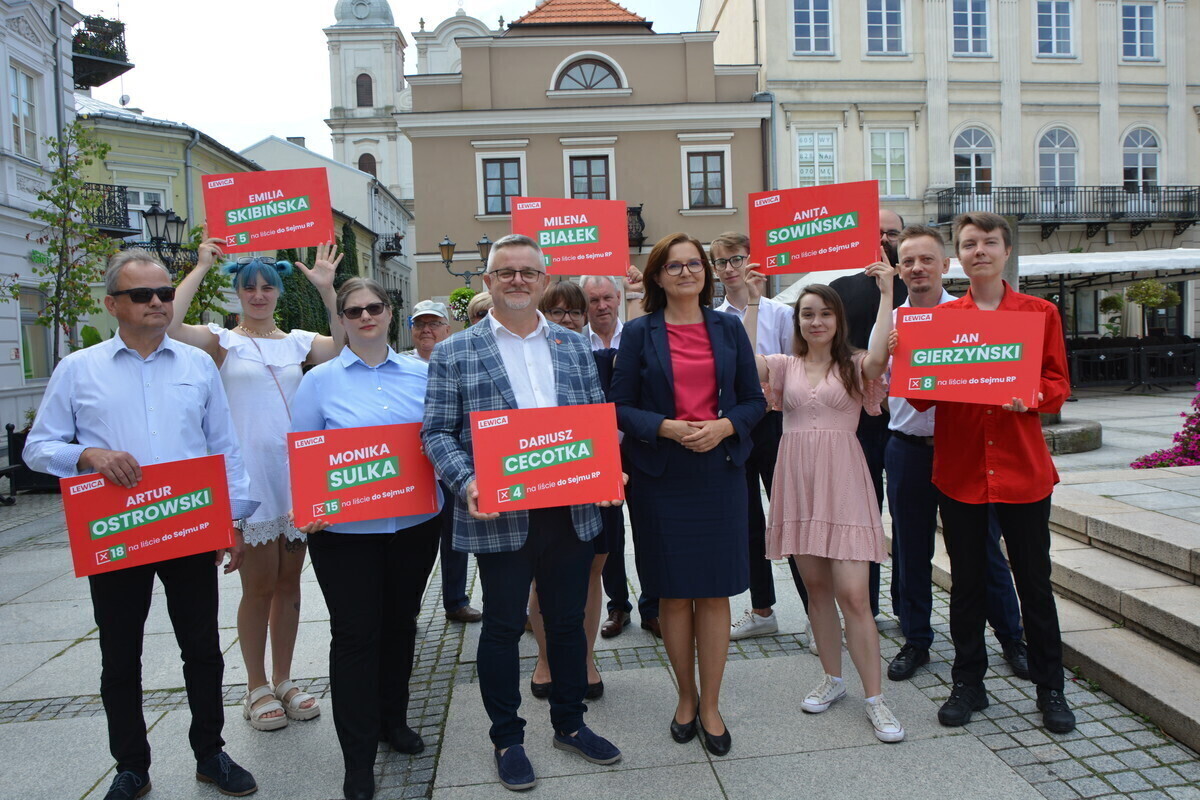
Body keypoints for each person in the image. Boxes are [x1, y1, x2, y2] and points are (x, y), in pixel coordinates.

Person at [24, 249, 260, 800]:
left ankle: (210, 753)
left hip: (187, 527)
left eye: (165, 293)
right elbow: (39, 447)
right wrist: (88, 455)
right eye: (143, 295)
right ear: (113, 305)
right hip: (116, 533)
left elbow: (223, 446)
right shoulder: (79, 369)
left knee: (202, 648)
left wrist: (235, 519)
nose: (159, 302)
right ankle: (131, 765)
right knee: (120, 654)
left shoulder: (197, 364)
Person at [422, 234, 622, 791]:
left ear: (543, 280)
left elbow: (593, 418)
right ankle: (507, 737)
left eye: (527, 272)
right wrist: (467, 483)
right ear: (487, 282)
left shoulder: (571, 344)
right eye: (504, 272)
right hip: (499, 513)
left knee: (565, 622)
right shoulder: (455, 351)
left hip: (568, 508)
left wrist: (608, 468)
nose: (516, 280)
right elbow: (436, 433)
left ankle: (570, 724)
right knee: (505, 626)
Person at [906, 212, 1075, 734]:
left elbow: (1057, 385)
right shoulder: (940, 321)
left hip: (1022, 472)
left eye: (990, 243)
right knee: (968, 584)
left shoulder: (1039, 312)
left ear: (1006, 252)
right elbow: (919, 394)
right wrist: (915, 362)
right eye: (970, 244)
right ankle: (968, 683)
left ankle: (1051, 688)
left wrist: (1028, 394)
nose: (980, 251)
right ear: (959, 257)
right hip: (961, 472)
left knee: (1035, 583)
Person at [169, 239, 344, 732]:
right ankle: (255, 686)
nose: (260, 294)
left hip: (294, 478)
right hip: (250, 480)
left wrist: (329, 292)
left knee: (290, 584)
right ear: (239, 293)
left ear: (279, 292)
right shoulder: (221, 340)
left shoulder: (298, 342)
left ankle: (285, 678)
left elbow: (343, 344)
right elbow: (171, 325)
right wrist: (201, 266)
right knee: (258, 587)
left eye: (268, 286)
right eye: (250, 287)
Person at [611, 232, 766, 757]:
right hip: (662, 476)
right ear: (657, 276)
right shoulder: (638, 333)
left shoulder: (727, 328)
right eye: (674, 266)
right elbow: (620, 406)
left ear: (705, 272)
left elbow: (754, 400)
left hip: (718, 473)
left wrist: (725, 427)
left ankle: (712, 704)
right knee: (674, 592)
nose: (686, 272)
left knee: (715, 591)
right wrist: (665, 428)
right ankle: (684, 696)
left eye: (693, 264)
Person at [290, 277, 444, 800]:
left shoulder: (424, 375)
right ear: (343, 319)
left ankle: (392, 722)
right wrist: (307, 506)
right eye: (353, 311)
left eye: (373, 307)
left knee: (400, 624)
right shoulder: (318, 382)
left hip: (414, 527)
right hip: (344, 535)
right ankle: (357, 759)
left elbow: (443, 438)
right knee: (356, 637)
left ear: (389, 312)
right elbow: (304, 452)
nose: (364, 317)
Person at [759, 272, 906, 744]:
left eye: (825, 313)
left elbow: (881, 358)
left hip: (843, 480)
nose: (816, 321)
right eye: (807, 314)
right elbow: (740, 360)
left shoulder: (855, 363)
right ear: (797, 322)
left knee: (855, 596)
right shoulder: (783, 366)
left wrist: (886, 294)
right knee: (816, 591)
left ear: (838, 320)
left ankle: (875, 698)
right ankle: (832, 677)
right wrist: (747, 297)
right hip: (798, 482)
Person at [879, 225, 1029, 683]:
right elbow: (871, 379)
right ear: (899, 269)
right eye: (909, 261)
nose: (918, 268)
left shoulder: (970, 316)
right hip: (907, 448)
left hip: (962, 449)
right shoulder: (890, 319)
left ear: (946, 266)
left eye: (927, 259)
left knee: (983, 548)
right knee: (910, 548)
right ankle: (916, 639)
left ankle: (1011, 637)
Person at [709, 231, 812, 646]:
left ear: (751, 261)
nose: (730, 269)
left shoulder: (781, 313)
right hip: (736, 426)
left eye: (736, 259)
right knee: (747, 520)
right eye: (721, 262)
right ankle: (762, 610)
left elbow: (796, 370)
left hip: (776, 423)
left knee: (793, 518)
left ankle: (814, 613)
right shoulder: (713, 318)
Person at [526, 280, 610, 699]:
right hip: (542, 478)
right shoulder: (529, 353)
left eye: (575, 312)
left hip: (595, 482)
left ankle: (585, 656)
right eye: (557, 312)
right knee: (543, 577)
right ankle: (545, 658)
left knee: (592, 571)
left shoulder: (595, 353)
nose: (568, 319)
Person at [828, 208, 909, 618]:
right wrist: (867, 360)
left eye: (891, 233)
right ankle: (869, 606)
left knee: (909, 520)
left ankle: (907, 608)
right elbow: (829, 346)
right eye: (875, 233)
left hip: (910, 420)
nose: (883, 241)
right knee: (863, 516)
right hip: (858, 419)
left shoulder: (916, 285)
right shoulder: (840, 287)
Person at [583, 272, 661, 641]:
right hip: (597, 451)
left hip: (637, 446)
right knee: (608, 536)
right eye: (593, 300)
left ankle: (654, 606)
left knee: (649, 526)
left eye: (606, 298)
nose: (601, 306)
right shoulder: (572, 343)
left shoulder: (638, 335)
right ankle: (618, 606)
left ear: (618, 298)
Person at [403, 299, 483, 625]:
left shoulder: (458, 360)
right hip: (413, 470)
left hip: (449, 467)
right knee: (414, 545)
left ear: (447, 329)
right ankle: (409, 607)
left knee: (454, 541)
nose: (427, 329)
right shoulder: (400, 366)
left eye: (434, 323)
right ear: (412, 330)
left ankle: (456, 601)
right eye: (421, 323)